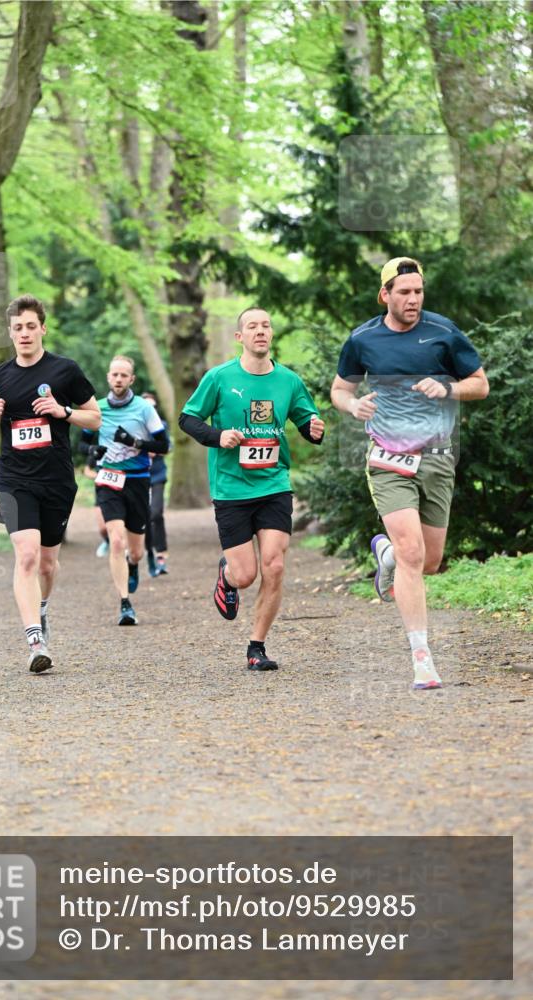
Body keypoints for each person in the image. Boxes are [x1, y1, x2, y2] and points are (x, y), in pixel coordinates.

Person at [330, 257, 489, 690]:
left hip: (437, 458)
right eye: (404, 292)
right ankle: (422, 658)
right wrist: (353, 405)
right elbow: (340, 389)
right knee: (412, 554)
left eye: (418, 291)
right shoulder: (363, 339)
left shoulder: (443, 332)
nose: (413, 299)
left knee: (430, 562)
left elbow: (480, 383)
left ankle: (386, 555)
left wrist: (449, 387)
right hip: (388, 459)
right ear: (385, 295)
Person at [179, 307, 324, 671]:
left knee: (274, 565)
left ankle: (256, 647)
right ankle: (228, 576)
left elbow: (306, 420)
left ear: (271, 334)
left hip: (274, 484)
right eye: (252, 326)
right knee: (246, 575)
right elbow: (187, 419)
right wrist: (218, 436)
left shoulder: (288, 380)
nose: (260, 331)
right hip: (232, 489)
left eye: (265, 325)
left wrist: (313, 429)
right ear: (239, 336)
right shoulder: (219, 377)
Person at [0, 294, 101, 673]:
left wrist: (63, 411)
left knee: (47, 564)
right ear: (10, 333)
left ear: (42, 328)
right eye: (18, 328)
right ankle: (35, 641)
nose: (25, 333)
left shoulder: (65, 371)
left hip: (56, 480)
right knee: (27, 555)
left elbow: (95, 418)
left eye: (31, 326)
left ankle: (42, 608)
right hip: (14, 480)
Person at [82, 356, 169, 625]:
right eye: (115, 374)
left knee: (136, 551)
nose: (118, 379)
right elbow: (83, 443)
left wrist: (135, 442)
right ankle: (125, 604)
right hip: (108, 480)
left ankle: (133, 565)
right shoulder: (97, 408)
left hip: (137, 481)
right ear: (108, 377)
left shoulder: (144, 409)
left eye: (124, 375)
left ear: (132, 379)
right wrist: (92, 451)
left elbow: (164, 445)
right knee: (116, 541)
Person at [141, 391, 170, 577]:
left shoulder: (162, 425)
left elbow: (167, 447)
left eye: (153, 406)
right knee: (143, 515)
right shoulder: (134, 425)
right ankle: (148, 551)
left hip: (158, 475)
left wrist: (155, 450)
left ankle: (161, 553)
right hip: (138, 475)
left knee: (156, 513)